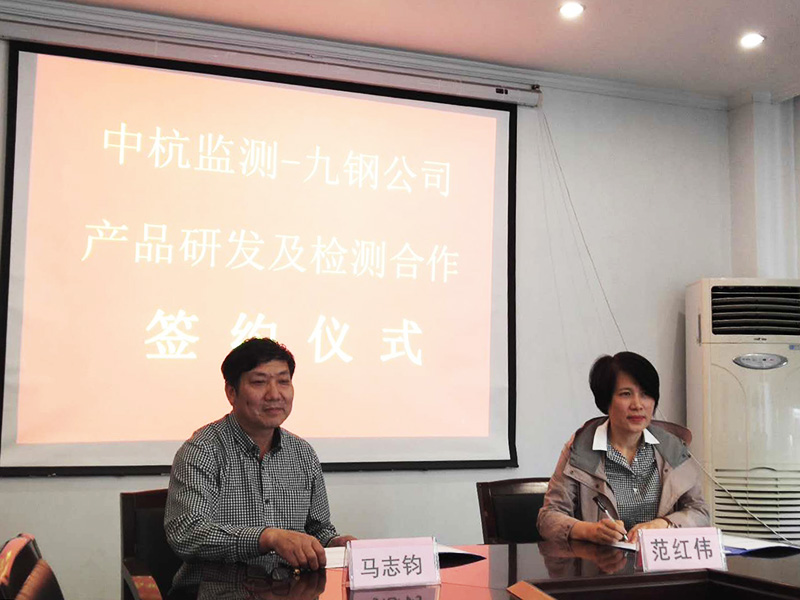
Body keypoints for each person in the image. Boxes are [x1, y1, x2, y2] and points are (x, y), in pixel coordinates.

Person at [165, 338, 355, 591]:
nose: (274, 394)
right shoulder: (202, 450)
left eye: (283, 381)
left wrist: (334, 543)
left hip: (290, 593)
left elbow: (318, 530)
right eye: (259, 382)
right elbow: (187, 534)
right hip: (214, 593)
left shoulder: (303, 453)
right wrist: (267, 538)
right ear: (231, 392)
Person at [537, 351, 709, 545]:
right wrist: (589, 531)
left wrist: (663, 524)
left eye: (645, 394)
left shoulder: (672, 448)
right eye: (626, 394)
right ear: (606, 400)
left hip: (660, 558)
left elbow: (700, 513)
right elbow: (548, 518)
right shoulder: (580, 449)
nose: (637, 405)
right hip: (601, 560)